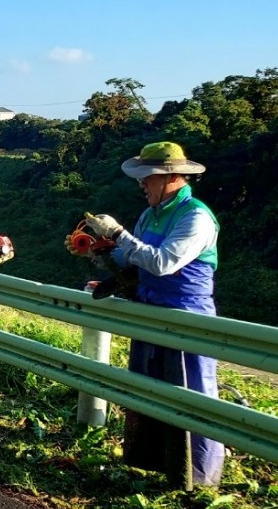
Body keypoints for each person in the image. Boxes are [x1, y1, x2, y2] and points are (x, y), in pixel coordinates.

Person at [84, 141, 223, 487]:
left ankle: (199, 480)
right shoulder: (149, 215)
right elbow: (131, 259)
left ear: (172, 177)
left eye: (147, 177)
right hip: (148, 313)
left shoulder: (196, 217)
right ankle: (154, 468)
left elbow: (162, 263)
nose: (142, 184)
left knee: (192, 396)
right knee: (149, 391)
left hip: (186, 318)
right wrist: (99, 251)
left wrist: (118, 233)